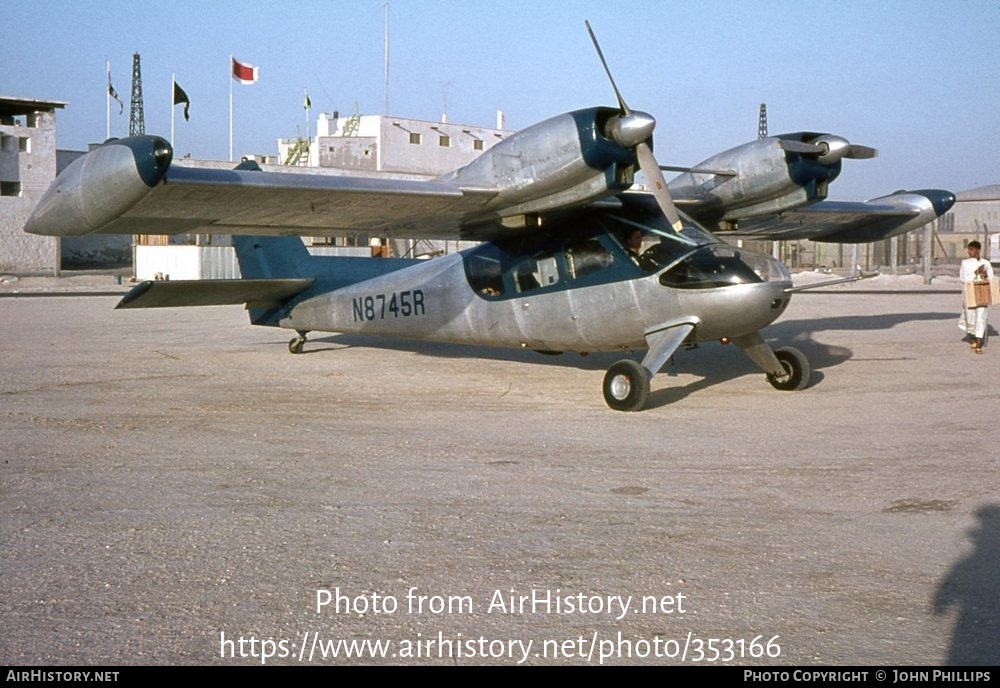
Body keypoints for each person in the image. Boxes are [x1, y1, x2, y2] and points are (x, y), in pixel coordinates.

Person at [959, 240, 994, 353]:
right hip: (969, 293)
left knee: (981, 315)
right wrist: (975, 272)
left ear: (978, 250)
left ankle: (979, 341)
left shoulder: (986, 263)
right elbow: (964, 279)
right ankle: (972, 336)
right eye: (969, 249)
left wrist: (984, 274)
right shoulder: (965, 263)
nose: (970, 252)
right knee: (970, 317)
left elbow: (991, 278)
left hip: (982, 293)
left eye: (972, 250)